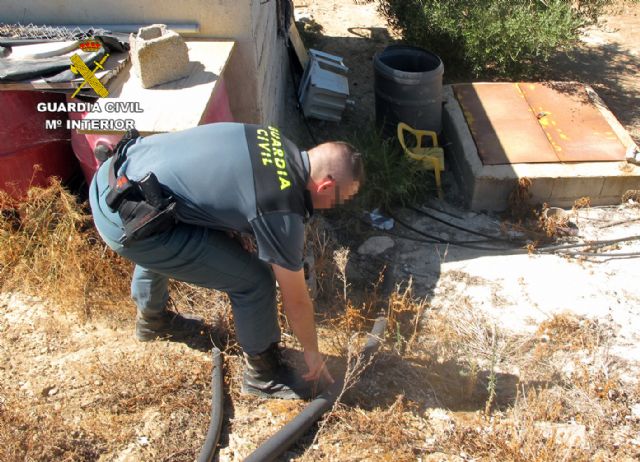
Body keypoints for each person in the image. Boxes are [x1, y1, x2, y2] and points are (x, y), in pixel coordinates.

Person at [89, 122, 363, 400]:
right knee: (255, 281)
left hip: (113, 179)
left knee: (164, 221)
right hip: (127, 221)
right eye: (341, 198)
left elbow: (215, 181)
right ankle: (262, 376)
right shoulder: (283, 206)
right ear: (326, 185)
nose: (336, 205)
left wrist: (230, 226)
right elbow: (297, 300)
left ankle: (151, 319)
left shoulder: (271, 138)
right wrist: (313, 356)